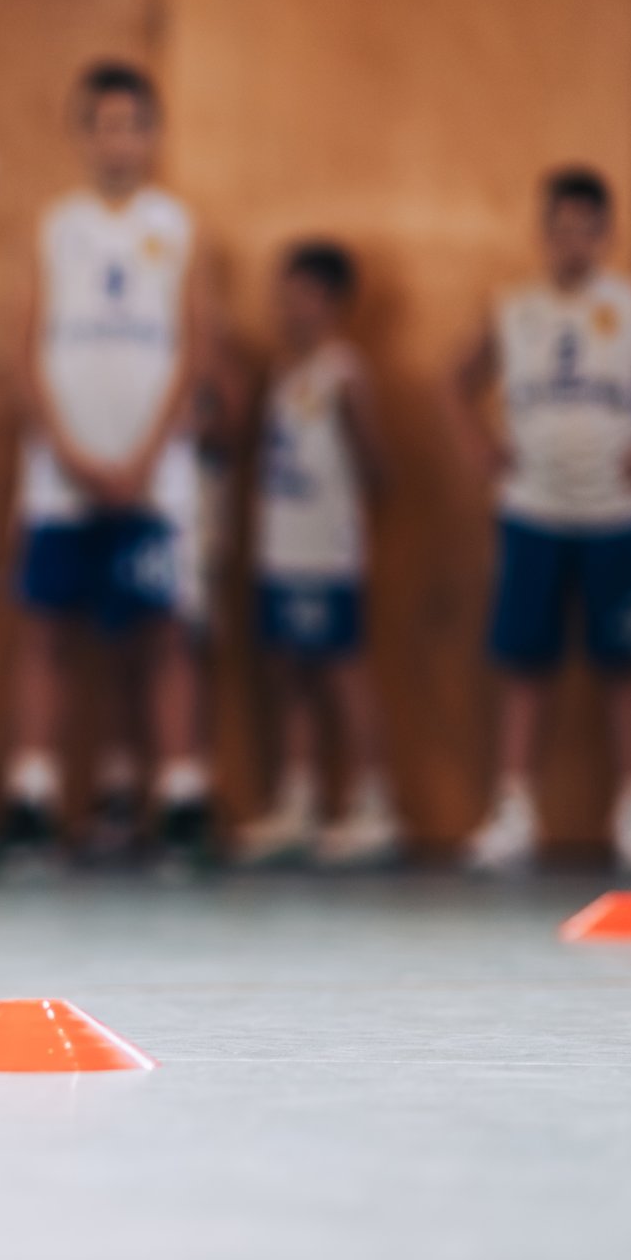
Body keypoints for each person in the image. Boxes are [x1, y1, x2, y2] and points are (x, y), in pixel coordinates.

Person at [450, 166, 631, 875]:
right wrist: (478, 444)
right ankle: (514, 807)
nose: (571, 242)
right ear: (543, 233)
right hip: (532, 507)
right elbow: (455, 378)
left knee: (628, 660)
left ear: (606, 234)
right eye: (559, 229)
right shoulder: (513, 306)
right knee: (523, 661)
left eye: (585, 229)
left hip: (616, 511)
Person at [0, 61, 219, 867]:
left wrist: (147, 453)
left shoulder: (180, 226)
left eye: (135, 124)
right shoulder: (56, 226)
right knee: (47, 628)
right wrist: (69, 450)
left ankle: (182, 798)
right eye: (105, 124)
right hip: (65, 472)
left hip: (154, 471)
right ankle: (33, 794)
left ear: (154, 135)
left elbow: (198, 350)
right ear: (84, 134)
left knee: (164, 633)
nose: (120, 139)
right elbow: (23, 354)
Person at [234, 241, 403, 868]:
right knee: (289, 673)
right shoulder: (284, 374)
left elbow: (377, 466)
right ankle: (299, 800)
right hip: (281, 544)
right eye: (281, 291)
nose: (285, 305)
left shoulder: (343, 372)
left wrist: (354, 505)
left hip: (329, 550)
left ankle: (373, 803)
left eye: (300, 292)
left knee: (342, 670)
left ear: (332, 301)